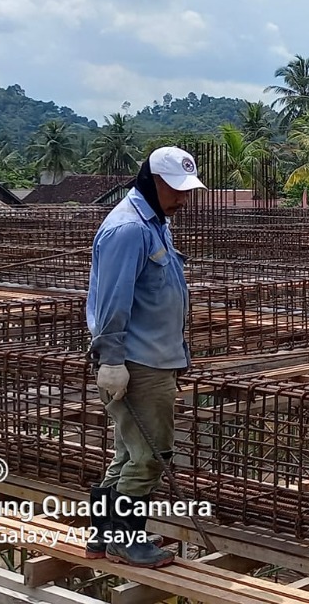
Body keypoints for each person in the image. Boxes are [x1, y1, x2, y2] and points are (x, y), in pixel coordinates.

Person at [85, 146, 206, 568]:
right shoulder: (128, 230)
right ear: (153, 182)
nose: (184, 199)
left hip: (156, 357)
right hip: (138, 363)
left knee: (128, 454)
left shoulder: (155, 223)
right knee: (152, 455)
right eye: (177, 190)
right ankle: (126, 540)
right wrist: (112, 360)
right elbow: (111, 302)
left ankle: (100, 537)